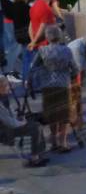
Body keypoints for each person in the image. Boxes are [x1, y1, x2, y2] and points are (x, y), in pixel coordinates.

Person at [28, 24, 78, 153]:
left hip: (47, 86)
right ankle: (63, 142)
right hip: (63, 85)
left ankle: (54, 141)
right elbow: (75, 68)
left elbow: (33, 67)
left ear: (47, 37)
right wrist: (71, 76)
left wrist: (41, 75)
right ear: (59, 36)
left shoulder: (42, 51)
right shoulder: (66, 50)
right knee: (64, 114)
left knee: (52, 114)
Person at [0, 75, 49, 166]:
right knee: (35, 127)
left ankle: (37, 154)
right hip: (6, 132)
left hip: (11, 127)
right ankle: (34, 159)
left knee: (36, 124)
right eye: (6, 86)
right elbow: (10, 122)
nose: (9, 88)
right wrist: (23, 122)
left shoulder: (4, 97)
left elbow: (11, 118)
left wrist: (20, 119)